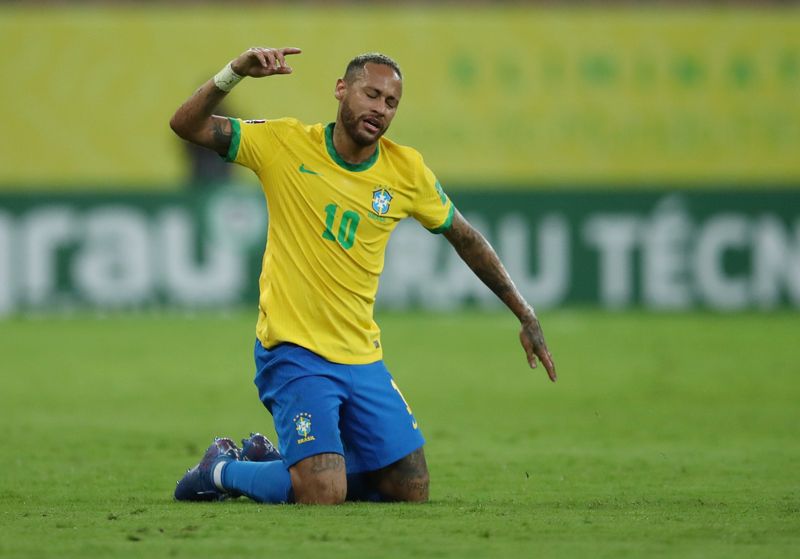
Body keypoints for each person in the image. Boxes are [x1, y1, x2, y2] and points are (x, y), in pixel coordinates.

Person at [169, 46, 557, 505]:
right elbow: (186, 126)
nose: (380, 109)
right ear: (341, 90)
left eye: (391, 102)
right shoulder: (284, 144)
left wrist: (524, 312)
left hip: (361, 356)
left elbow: (466, 238)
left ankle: (283, 462)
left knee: (410, 488)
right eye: (371, 94)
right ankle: (221, 469)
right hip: (295, 353)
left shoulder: (404, 170)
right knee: (322, 493)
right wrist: (234, 73)